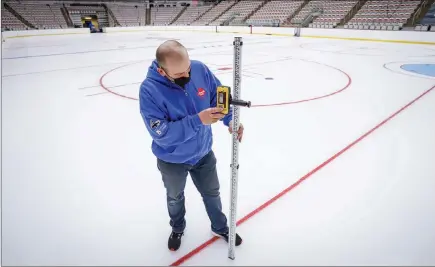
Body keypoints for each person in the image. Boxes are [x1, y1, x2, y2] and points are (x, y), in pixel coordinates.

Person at [139, 40, 244, 251]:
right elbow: (162, 134)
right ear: (161, 70)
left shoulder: (199, 69)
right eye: (179, 74)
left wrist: (230, 119)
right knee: (174, 197)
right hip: (172, 160)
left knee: (212, 193)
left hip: (203, 153)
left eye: (187, 69)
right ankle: (177, 227)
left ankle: (220, 226)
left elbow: (218, 97)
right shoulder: (149, 90)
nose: (187, 76)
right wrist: (198, 120)